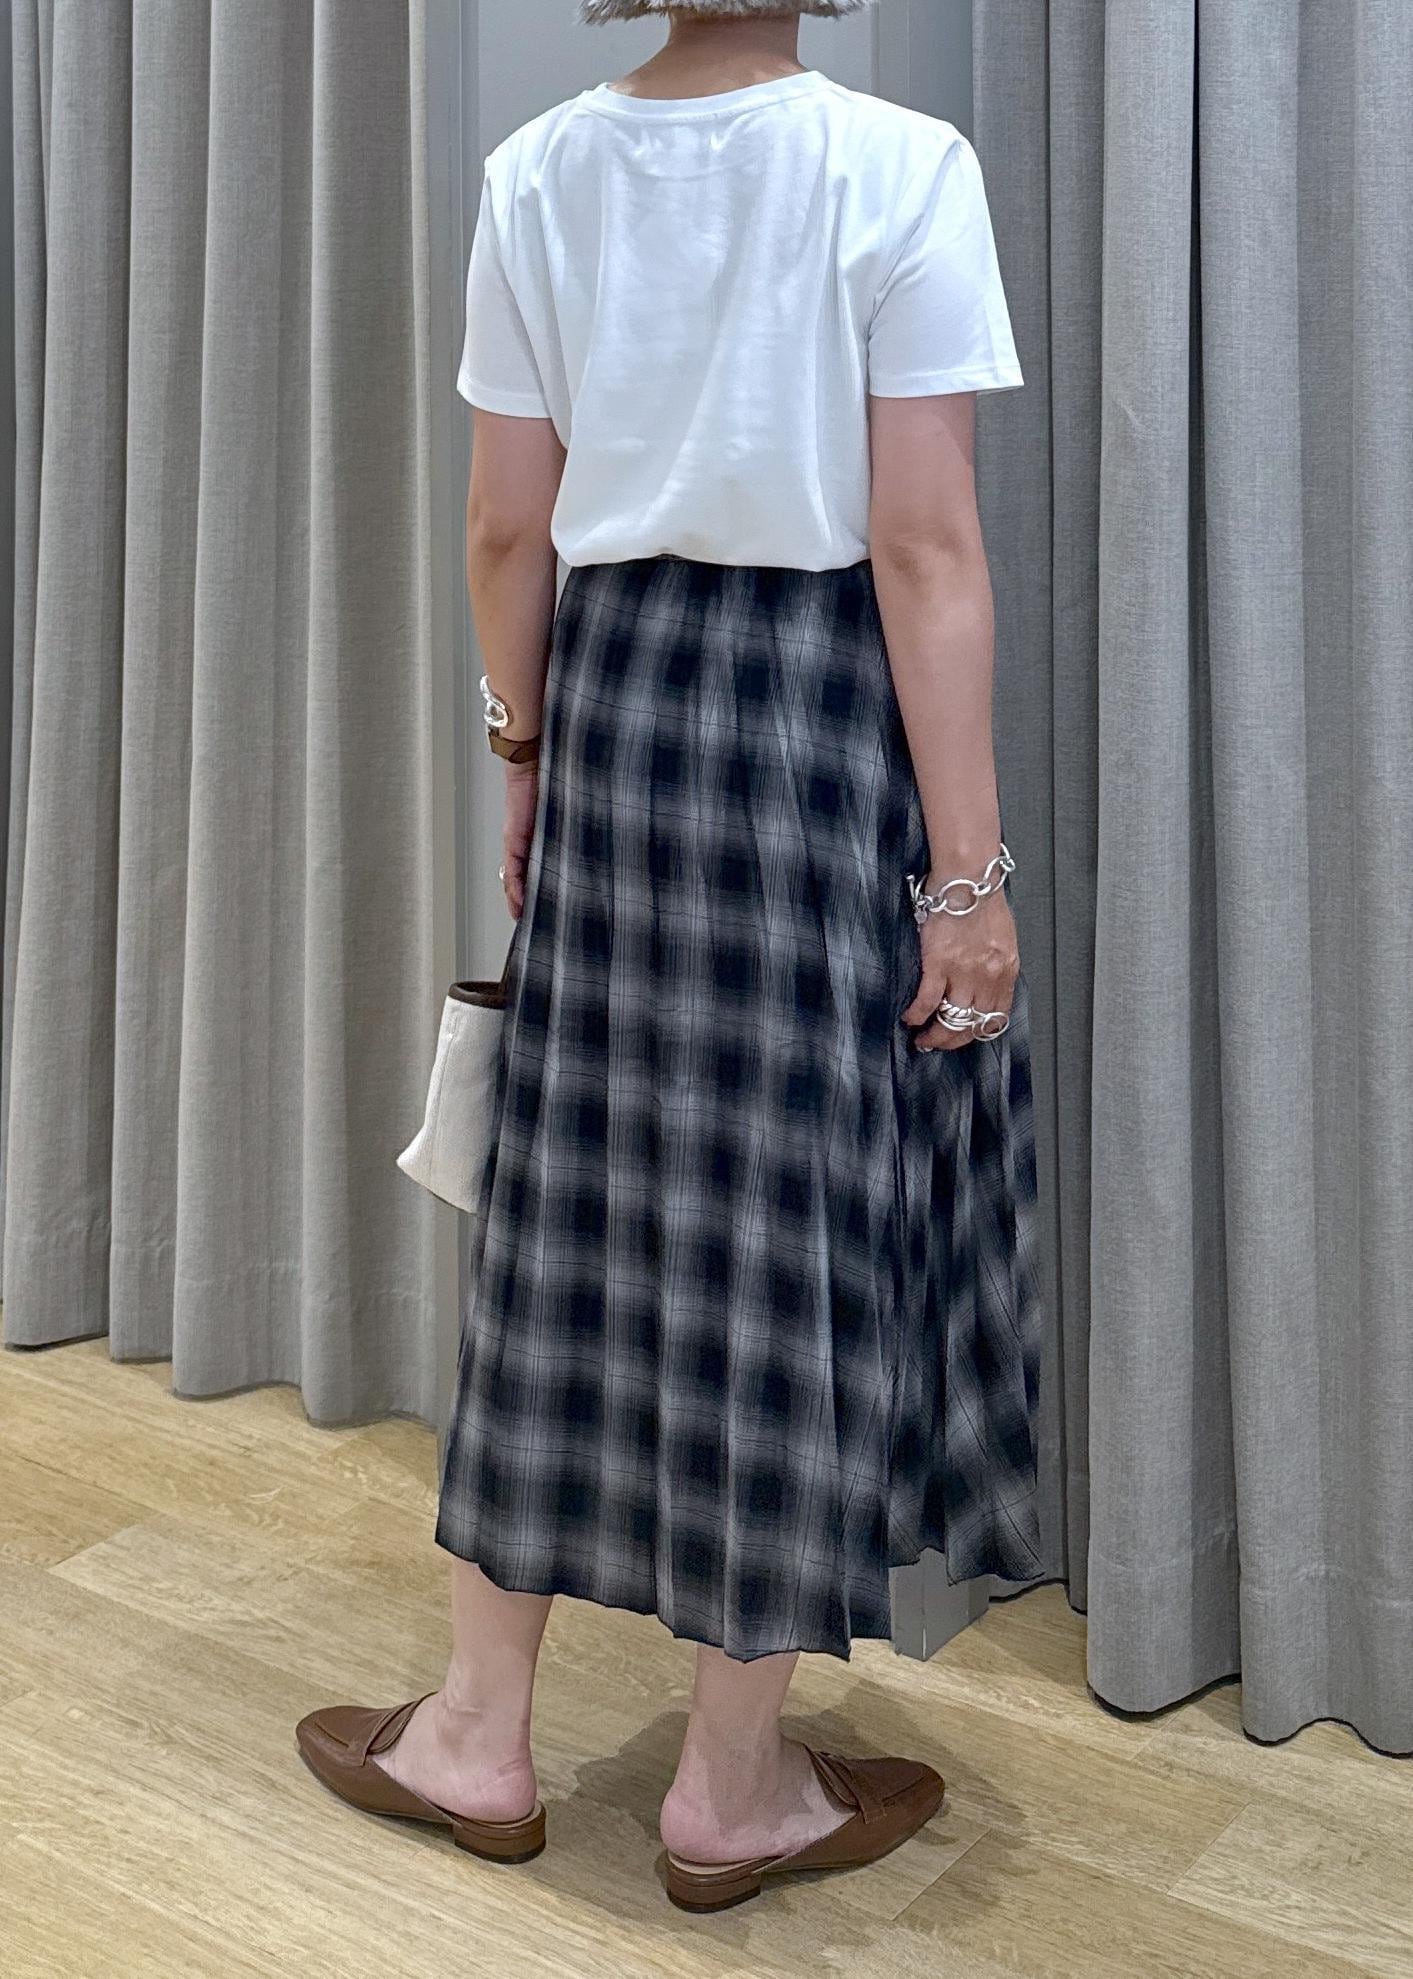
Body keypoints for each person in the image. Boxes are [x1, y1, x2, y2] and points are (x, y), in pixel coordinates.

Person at [296, 0, 1042, 1914]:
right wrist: (966, 876)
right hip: (811, 726)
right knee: (779, 1218)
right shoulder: (897, 168)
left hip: (620, 702)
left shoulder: (538, 172)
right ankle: (729, 1785)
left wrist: (525, 750)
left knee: (570, 1200)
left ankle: (477, 1731)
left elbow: (506, 528)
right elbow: (922, 546)